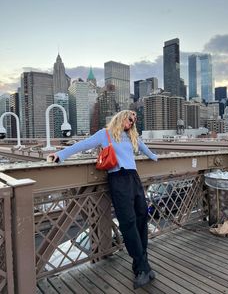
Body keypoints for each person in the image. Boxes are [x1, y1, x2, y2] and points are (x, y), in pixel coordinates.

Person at [47, 110, 158, 289]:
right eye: (130, 119)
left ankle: (141, 266)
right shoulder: (104, 134)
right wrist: (60, 155)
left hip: (134, 178)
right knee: (128, 222)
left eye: (134, 120)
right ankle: (142, 267)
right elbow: (82, 145)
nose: (132, 122)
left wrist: (155, 157)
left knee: (141, 218)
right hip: (118, 178)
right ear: (122, 117)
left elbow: (146, 149)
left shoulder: (131, 136)